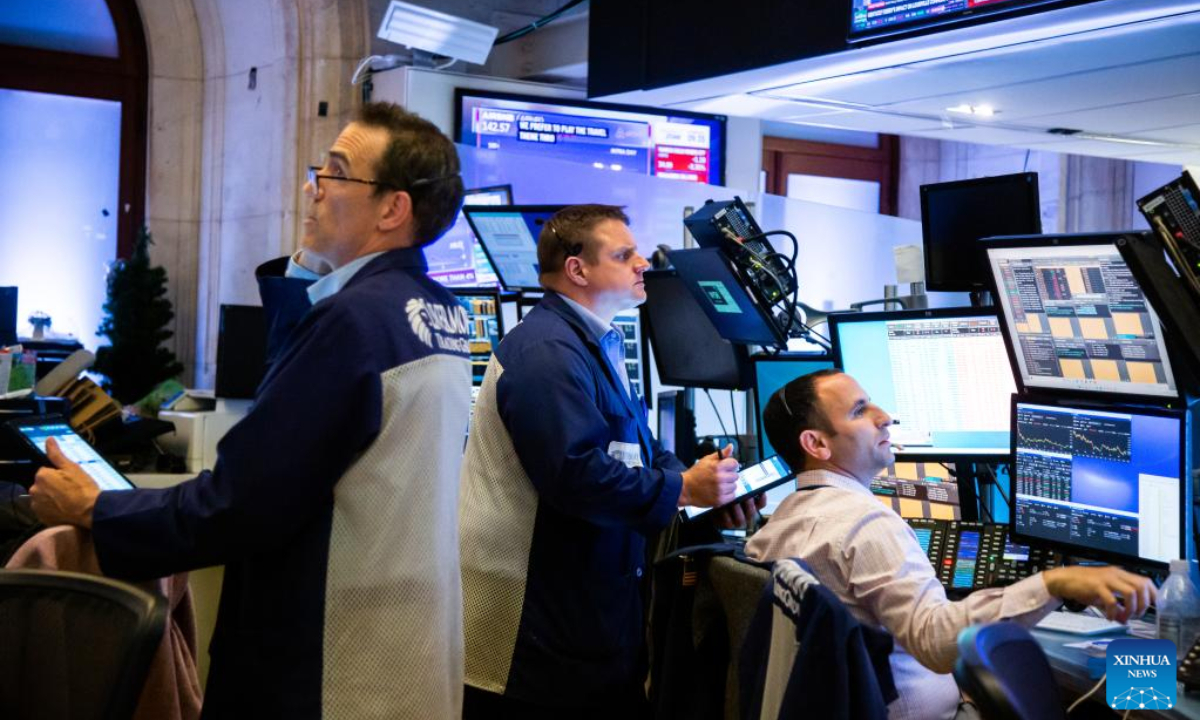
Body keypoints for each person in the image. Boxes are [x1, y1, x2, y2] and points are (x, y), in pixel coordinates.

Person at [29, 102, 472, 719]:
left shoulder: (352, 322)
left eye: (335, 173)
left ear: (393, 208)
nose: (311, 189)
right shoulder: (440, 313)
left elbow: (240, 502)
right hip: (399, 646)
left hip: (321, 663)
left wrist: (96, 509)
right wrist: (310, 269)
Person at [458, 204, 750, 718]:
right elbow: (576, 474)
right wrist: (684, 489)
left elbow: (635, 447)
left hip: (581, 615)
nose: (643, 263)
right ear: (578, 269)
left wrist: (707, 484)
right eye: (624, 254)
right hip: (534, 628)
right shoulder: (547, 353)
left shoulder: (592, 343)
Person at [748, 368, 1157, 720]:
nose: (884, 417)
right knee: (1130, 700)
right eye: (859, 411)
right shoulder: (864, 523)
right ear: (816, 444)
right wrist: (1057, 583)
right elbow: (936, 642)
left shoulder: (775, 527)